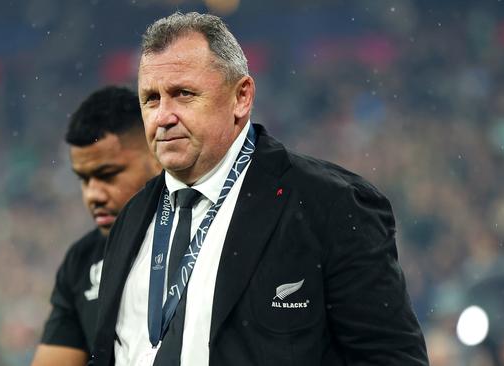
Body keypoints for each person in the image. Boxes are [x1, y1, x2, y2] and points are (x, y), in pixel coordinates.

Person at [92, 12, 429, 366]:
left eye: (183, 94)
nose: (163, 116)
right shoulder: (131, 217)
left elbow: (391, 360)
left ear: (241, 97)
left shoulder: (329, 205)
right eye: (151, 99)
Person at [32, 86, 161, 366]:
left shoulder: (205, 236)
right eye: (84, 179)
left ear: (157, 159)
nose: (93, 194)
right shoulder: (80, 262)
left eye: (108, 174)